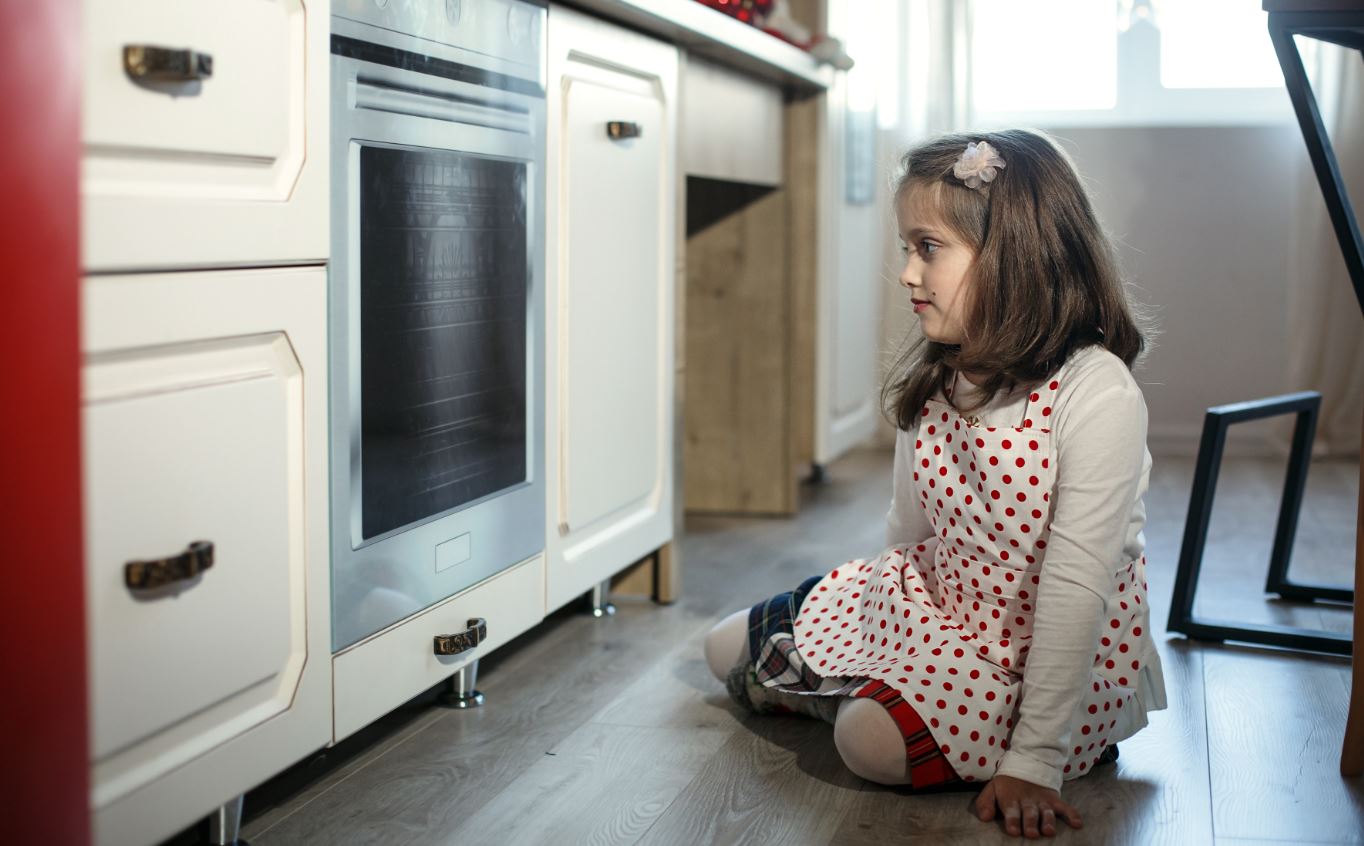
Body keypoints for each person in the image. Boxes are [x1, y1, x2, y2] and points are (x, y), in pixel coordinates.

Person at [703, 129, 1167, 840]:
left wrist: (1036, 760)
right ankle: (857, 685)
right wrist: (868, 627)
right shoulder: (941, 373)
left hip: (1035, 652)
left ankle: (876, 705)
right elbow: (907, 527)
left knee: (868, 742)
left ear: (1015, 256)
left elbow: (1077, 586)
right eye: (905, 248)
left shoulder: (1095, 391)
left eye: (928, 248)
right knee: (721, 647)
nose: (907, 274)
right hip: (939, 604)